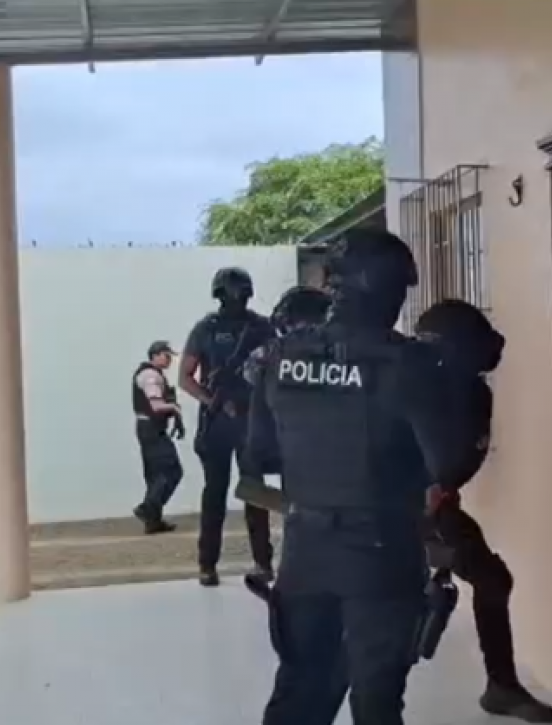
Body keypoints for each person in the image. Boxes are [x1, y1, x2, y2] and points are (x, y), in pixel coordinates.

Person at [244, 229, 474, 725]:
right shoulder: (409, 364)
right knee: (376, 701)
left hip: (305, 552)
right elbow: (449, 463)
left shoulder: (281, 357)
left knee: (300, 691)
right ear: (385, 288)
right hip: (381, 553)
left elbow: (260, 453)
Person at [415, 299, 552, 723]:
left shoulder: (465, 390)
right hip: (400, 509)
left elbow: (455, 458)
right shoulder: (416, 387)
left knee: (491, 580)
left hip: (431, 507)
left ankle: (501, 687)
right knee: (386, 605)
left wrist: (440, 490)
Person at [178, 267, 276, 587]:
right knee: (215, 496)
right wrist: (213, 402)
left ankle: (263, 562)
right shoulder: (206, 328)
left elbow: (277, 369)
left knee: (255, 494)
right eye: (235, 292)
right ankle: (207, 564)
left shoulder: (261, 327)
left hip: (251, 419)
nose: (238, 298)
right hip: (218, 422)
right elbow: (185, 378)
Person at [131, 340, 186, 535]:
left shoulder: (153, 374)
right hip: (152, 428)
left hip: (150, 428)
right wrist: (175, 409)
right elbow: (156, 405)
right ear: (155, 355)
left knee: (156, 474)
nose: (169, 359)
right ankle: (148, 508)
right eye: (165, 355)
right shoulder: (150, 376)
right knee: (170, 471)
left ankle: (153, 520)